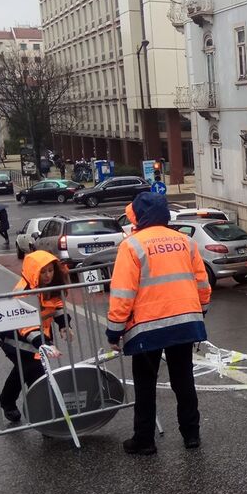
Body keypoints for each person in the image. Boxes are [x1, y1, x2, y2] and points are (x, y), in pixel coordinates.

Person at [106, 193, 211, 455]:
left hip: (147, 326)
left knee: (145, 384)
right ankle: (191, 435)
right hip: (185, 321)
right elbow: (202, 283)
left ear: (139, 217)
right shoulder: (185, 241)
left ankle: (144, 440)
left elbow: (123, 293)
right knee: (184, 380)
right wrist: (201, 311)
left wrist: (114, 330)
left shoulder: (132, 246)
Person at [0, 251, 73, 422]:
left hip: (37, 336)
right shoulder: (23, 291)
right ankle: (44, 417)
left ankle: (7, 400)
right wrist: (44, 344)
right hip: (12, 337)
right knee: (33, 370)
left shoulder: (53, 285)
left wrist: (64, 325)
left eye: (51, 270)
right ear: (34, 272)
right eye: (43, 272)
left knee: (24, 368)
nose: (48, 275)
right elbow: (27, 326)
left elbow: (57, 306)